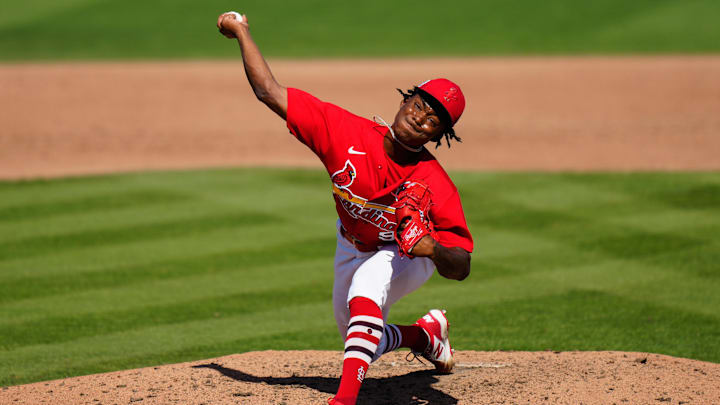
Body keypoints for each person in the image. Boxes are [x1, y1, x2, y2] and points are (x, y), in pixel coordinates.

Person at [217, 12, 473, 405]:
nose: (421, 118)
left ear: (439, 135)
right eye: (420, 104)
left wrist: (432, 250)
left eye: (433, 120)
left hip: (407, 254)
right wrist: (241, 32)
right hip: (351, 245)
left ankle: (344, 401)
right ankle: (426, 334)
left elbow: (461, 265)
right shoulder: (344, 132)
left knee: (367, 289)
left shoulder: (436, 183)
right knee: (360, 336)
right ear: (406, 99)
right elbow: (269, 90)